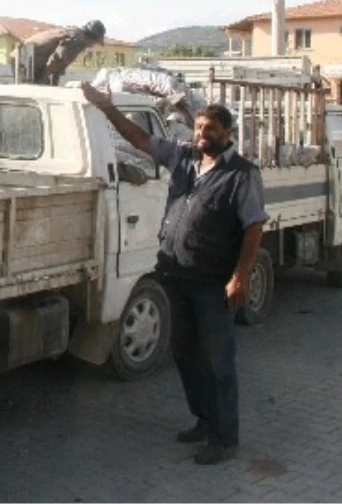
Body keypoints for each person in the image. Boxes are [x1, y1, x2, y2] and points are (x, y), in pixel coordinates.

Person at [81, 82, 267, 465]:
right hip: (176, 277)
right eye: (199, 128)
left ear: (228, 134)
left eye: (211, 129)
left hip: (212, 284)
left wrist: (240, 277)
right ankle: (204, 419)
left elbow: (253, 227)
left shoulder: (242, 174)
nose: (202, 134)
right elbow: (139, 138)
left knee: (218, 361)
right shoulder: (183, 158)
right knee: (184, 352)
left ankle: (225, 438)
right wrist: (105, 108)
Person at [12, 21, 106, 85]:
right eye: (95, 42)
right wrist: (42, 79)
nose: (94, 45)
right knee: (35, 92)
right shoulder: (78, 40)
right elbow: (56, 60)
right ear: (91, 37)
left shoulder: (74, 33)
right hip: (26, 58)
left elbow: (57, 67)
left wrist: (53, 84)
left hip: (24, 56)